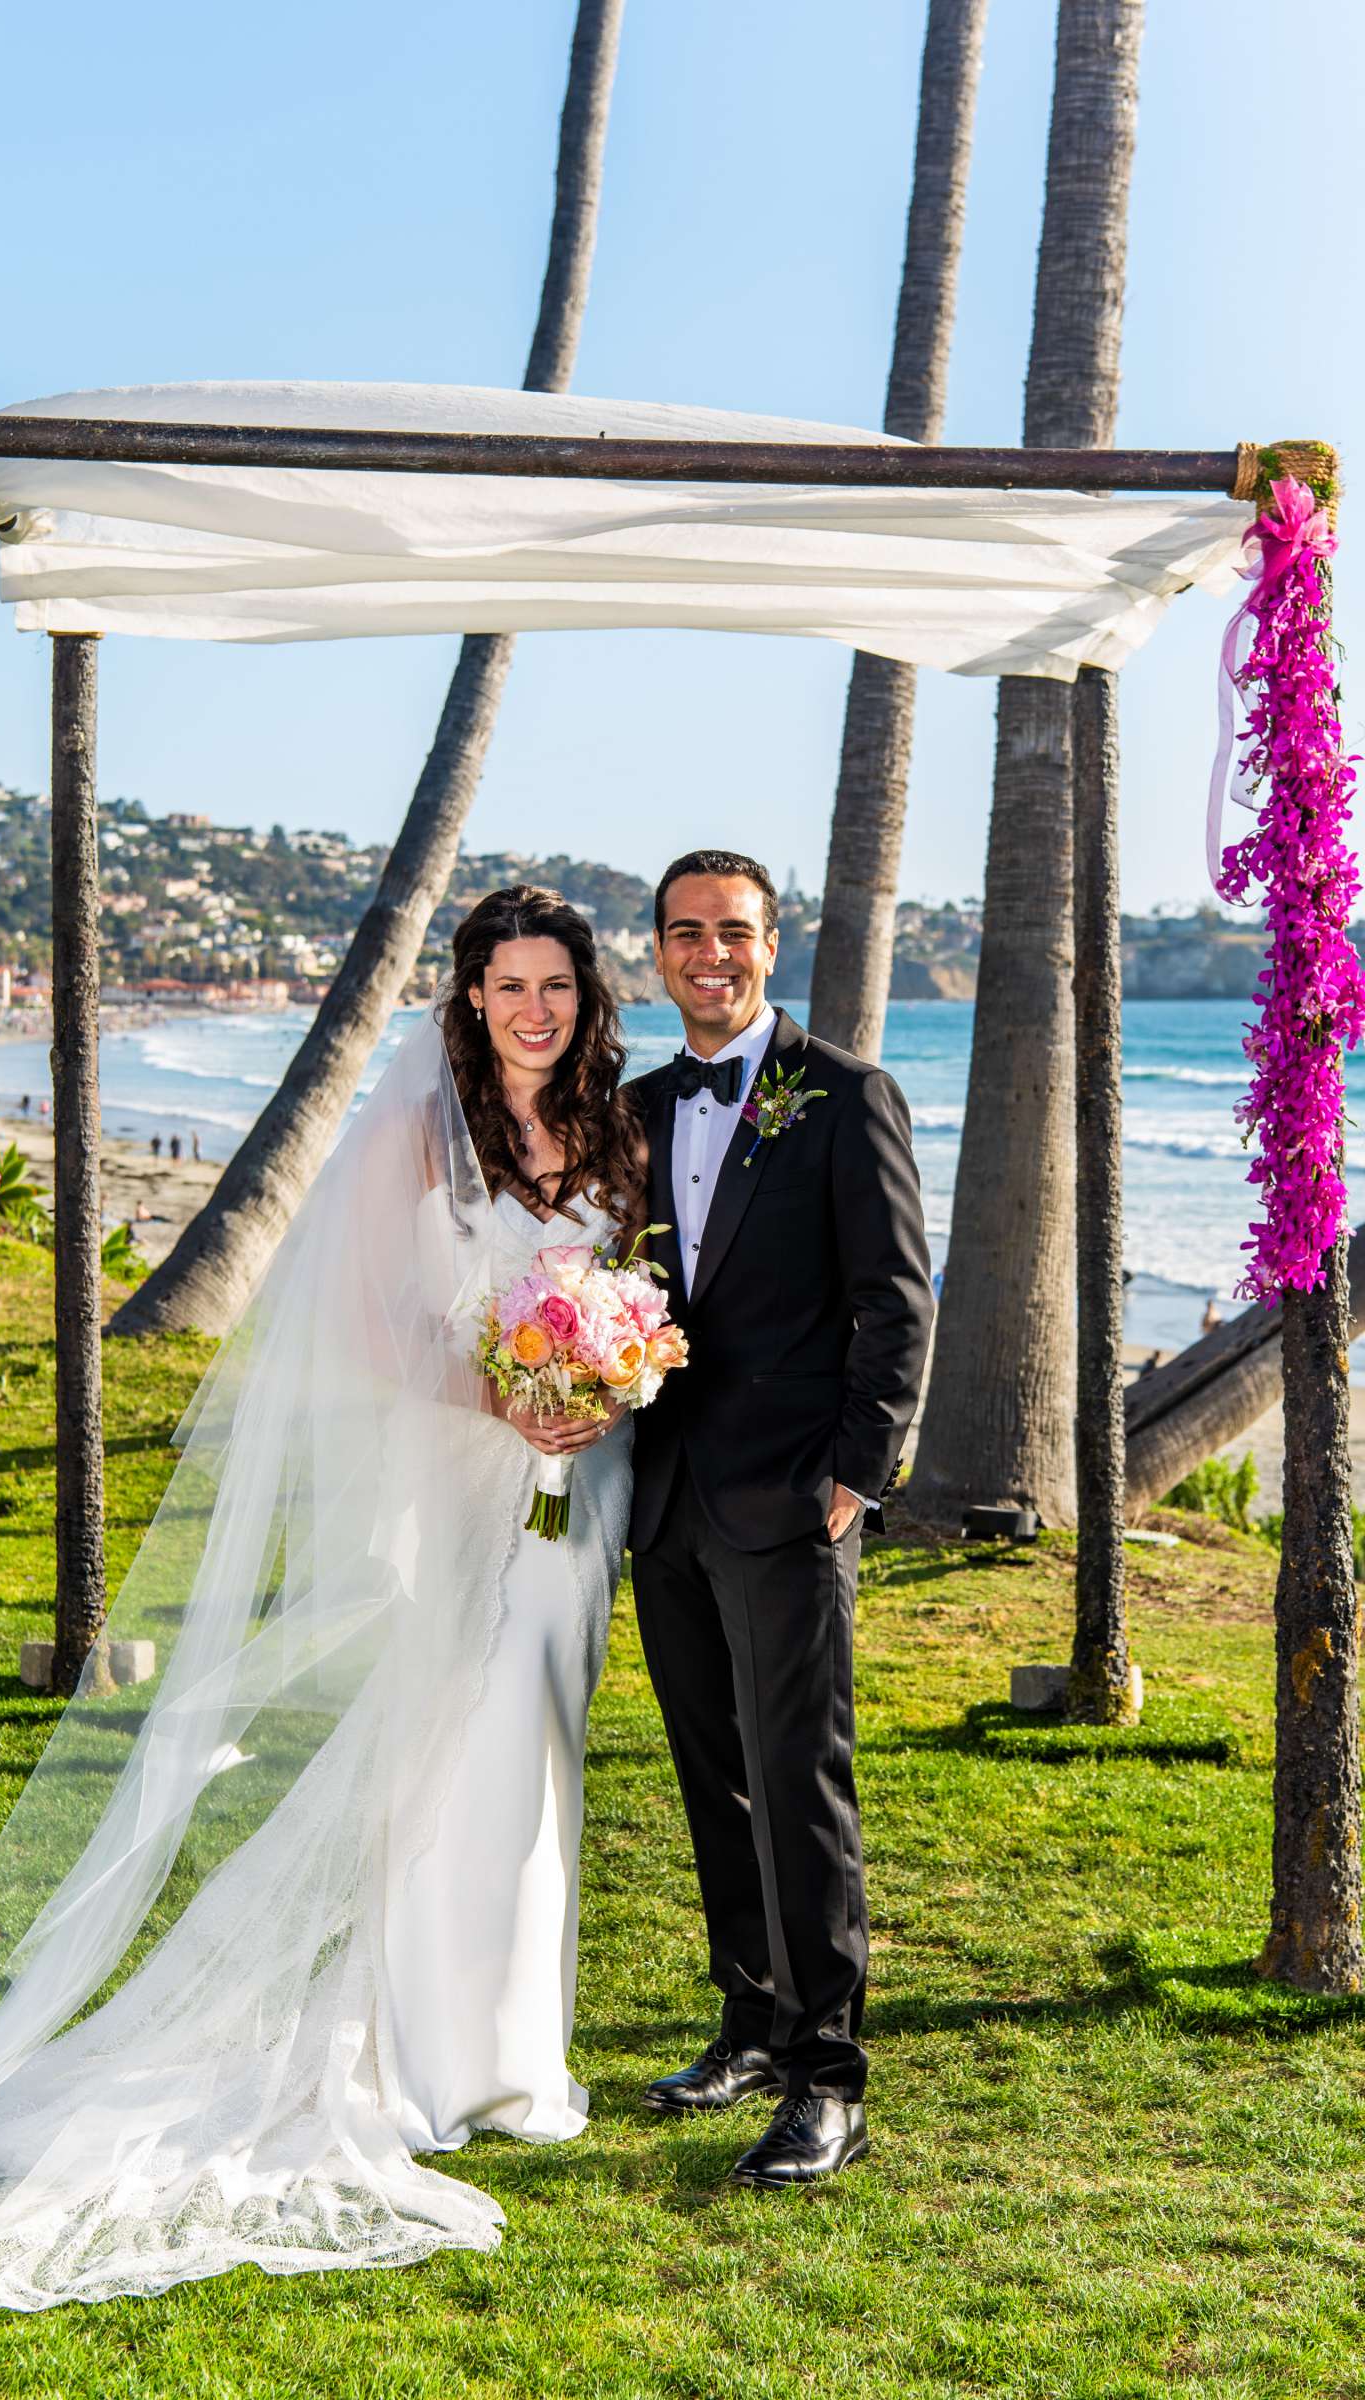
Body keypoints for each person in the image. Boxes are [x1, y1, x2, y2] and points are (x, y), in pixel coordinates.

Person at [0, 885, 644, 2305]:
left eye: (556, 985)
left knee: (540, 1754)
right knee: (451, 1757)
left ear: (583, 999)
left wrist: (598, 1374)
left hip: (571, 1504)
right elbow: (362, 1316)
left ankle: (515, 2055)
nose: (534, 1008)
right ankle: (423, 2057)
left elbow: (628, 1289)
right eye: (509, 985)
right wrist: (501, 1388)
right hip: (453, 1478)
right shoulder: (419, 1125)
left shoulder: (609, 1127)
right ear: (469, 998)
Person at [627, 850, 932, 2188]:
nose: (711, 954)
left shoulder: (847, 1094)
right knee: (714, 1777)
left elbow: (897, 1299)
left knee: (799, 1788)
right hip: (665, 1499)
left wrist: (857, 1478)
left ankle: (829, 2079)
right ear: (658, 952)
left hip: (794, 1502)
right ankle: (748, 2022)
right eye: (686, 933)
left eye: (734, 933)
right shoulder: (634, 1106)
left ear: (772, 945)